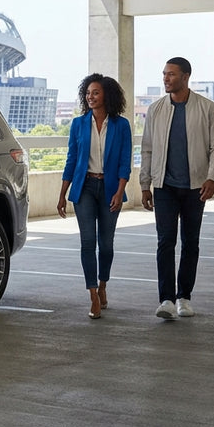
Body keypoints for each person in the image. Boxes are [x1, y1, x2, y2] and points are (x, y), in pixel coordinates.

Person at [140, 57, 214, 320]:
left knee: (190, 243)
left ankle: (184, 298)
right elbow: (147, 149)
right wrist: (145, 184)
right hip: (164, 187)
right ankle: (165, 299)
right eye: (164, 74)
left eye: (171, 74)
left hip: (194, 187)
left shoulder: (207, 108)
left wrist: (212, 178)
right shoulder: (155, 110)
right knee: (165, 242)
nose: (166, 78)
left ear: (186, 77)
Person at [57, 73, 132, 319]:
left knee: (106, 244)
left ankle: (103, 285)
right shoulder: (78, 124)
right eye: (88, 93)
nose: (91, 96)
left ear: (106, 95)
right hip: (85, 188)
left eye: (96, 92)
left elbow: (124, 161)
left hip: (111, 189)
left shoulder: (121, 125)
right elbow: (71, 160)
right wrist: (62, 193)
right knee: (87, 242)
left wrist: (120, 191)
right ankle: (92, 295)